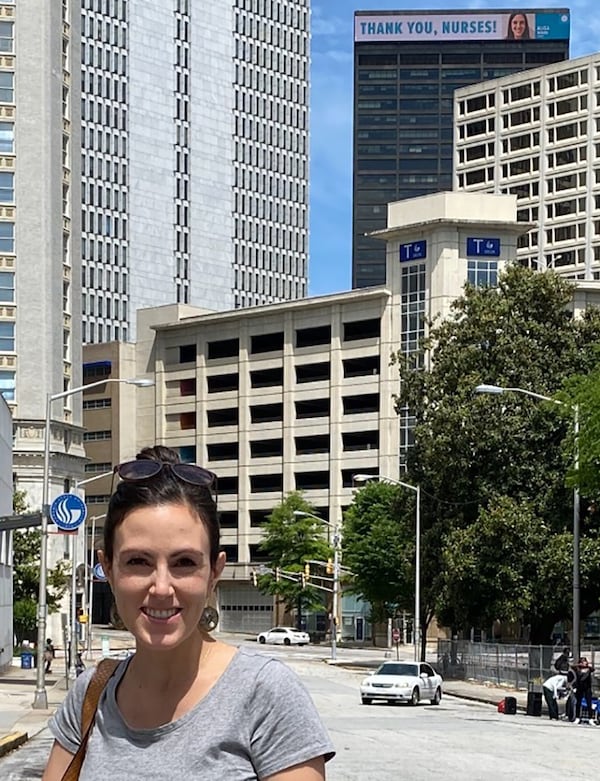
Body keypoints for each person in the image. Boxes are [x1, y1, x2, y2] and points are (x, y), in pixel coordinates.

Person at [43, 445, 334, 781]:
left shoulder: (266, 694)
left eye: (184, 563)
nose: (162, 587)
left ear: (214, 571)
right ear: (107, 567)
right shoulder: (90, 695)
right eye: (139, 561)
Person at [573, 656, 595, 723]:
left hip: (587, 688)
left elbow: (593, 669)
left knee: (589, 703)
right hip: (580, 687)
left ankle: (590, 718)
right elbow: (572, 666)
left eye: (585, 661)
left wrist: (587, 666)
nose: (584, 663)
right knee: (578, 703)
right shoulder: (578, 668)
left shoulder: (588, 669)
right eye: (582, 661)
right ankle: (577, 717)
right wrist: (579, 665)